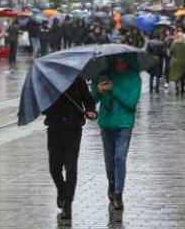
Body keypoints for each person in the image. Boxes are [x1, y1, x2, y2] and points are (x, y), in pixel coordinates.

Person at [44, 78, 96, 220]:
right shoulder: (49, 81)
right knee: (54, 168)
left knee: (71, 167)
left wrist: (91, 111)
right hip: (54, 129)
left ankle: (68, 204)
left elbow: (88, 99)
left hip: (73, 128)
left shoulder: (77, 78)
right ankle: (62, 190)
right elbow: (43, 107)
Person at [93, 57, 141, 210]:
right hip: (106, 123)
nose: (120, 62)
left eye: (123, 60)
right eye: (117, 60)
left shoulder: (134, 77)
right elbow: (92, 99)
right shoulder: (104, 75)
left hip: (124, 123)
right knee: (109, 160)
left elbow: (131, 102)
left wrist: (114, 89)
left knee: (119, 158)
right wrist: (97, 90)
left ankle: (118, 193)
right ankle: (112, 185)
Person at [169, 31, 185, 95]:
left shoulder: (173, 44)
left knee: (176, 75)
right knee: (182, 75)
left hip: (175, 61)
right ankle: (182, 88)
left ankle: (176, 86)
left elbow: (171, 52)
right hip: (183, 61)